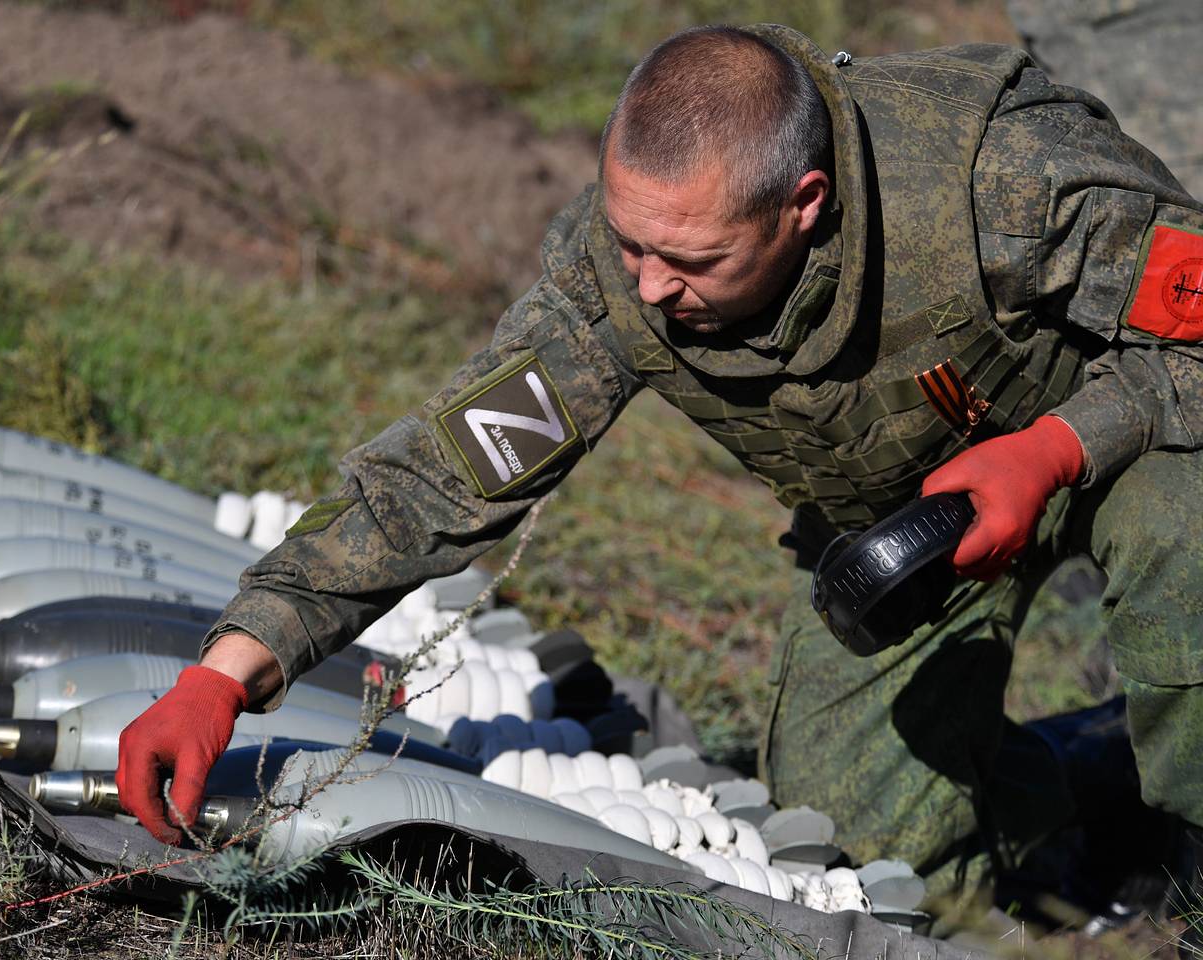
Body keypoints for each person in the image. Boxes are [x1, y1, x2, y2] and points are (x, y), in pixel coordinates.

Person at [115, 22, 1203, 920]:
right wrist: (229, 668)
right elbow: (442, 479)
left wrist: (1058, 446)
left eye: (688, 261)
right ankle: (1088, 808)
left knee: (1180, 536)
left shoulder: (992, 181)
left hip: (1124, 442)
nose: (647, 290)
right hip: (904, 530)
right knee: (854, 840)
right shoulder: (618, 276)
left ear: (804, 203)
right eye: (631, 245)